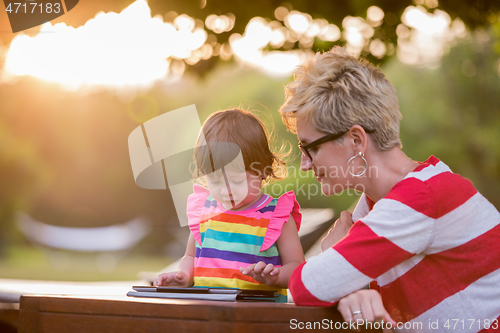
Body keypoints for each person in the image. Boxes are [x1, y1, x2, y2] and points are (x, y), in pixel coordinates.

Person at [278, 47, 500, 331]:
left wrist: (333, 249)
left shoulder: (421, 198)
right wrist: (351, 287)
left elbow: (305, 287)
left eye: (310, 148)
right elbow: (339, 287)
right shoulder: (377, 205)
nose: (305, 164)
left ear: (356, 140)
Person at [154, 108, 305, 302]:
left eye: (237, 181)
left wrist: (274, 277)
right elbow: (191, 257)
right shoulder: (204, 211)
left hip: (260, 317)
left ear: (263, 170)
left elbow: (297, 268)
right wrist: (183, 276)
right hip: (206, 313)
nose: (226, 190)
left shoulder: (277, 217)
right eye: (215, 182)